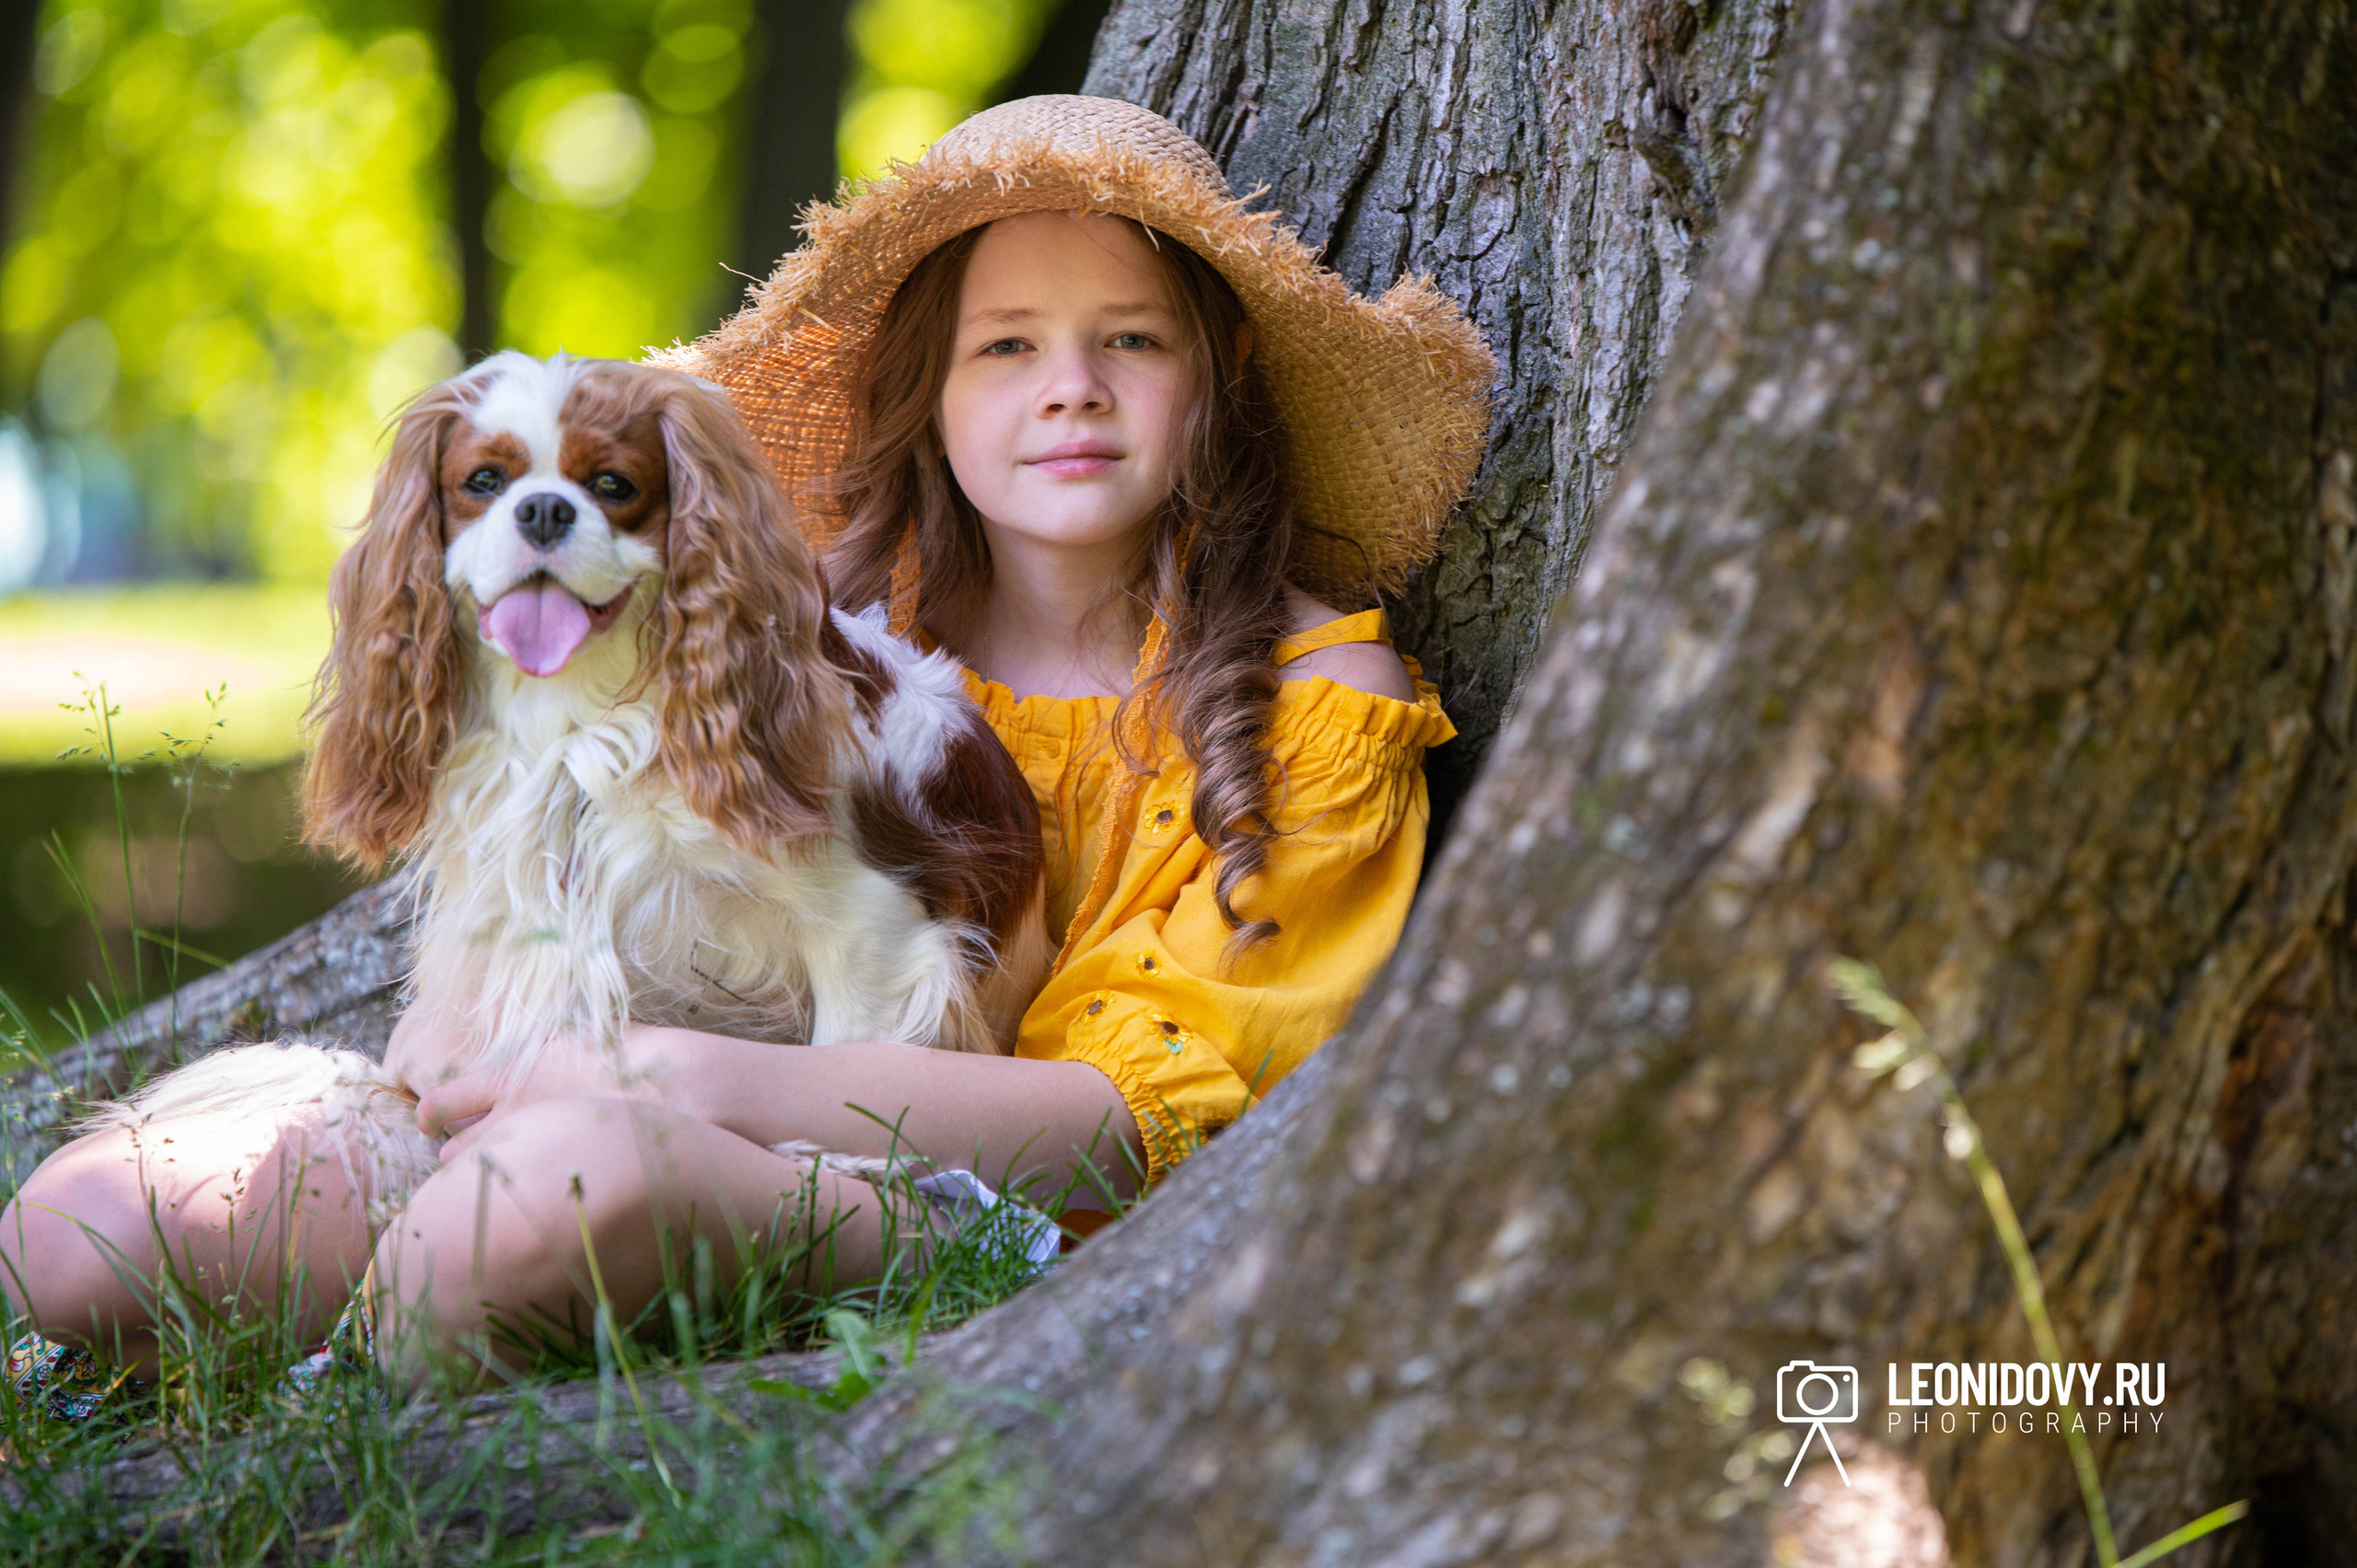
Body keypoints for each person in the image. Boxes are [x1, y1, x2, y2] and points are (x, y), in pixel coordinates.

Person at [2, 96, 1489, 1396]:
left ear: (1216, 372)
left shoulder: (1311, 700)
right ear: (932, 386)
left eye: (1132, 342)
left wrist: (681, 1082)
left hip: (976, 1211)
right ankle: (390, 1312)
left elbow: (1135, 1140)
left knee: (530, 1197)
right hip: (594, 1110)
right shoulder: (788, 629)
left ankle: (343, 1408)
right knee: (77, 1230)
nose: (1070, 386)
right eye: (1007, 345)